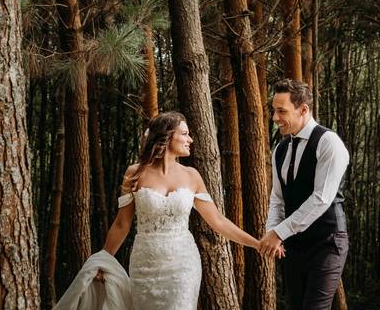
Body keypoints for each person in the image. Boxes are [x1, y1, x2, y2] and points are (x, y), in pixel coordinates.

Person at [56, 111, 268, 310]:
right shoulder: (134, 173)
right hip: (144, 263)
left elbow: (218, 221)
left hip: (183, 262)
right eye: (184, 134)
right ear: (167, 137)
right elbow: (122, 223)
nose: (190, 139)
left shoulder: (192, 175)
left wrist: (257, 244)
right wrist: (105, 259)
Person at [259, 79, 350, 310]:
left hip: (327, 241)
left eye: (281, 111)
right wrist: (273, 232)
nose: (275, 118)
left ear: (303, 110)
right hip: (294, 245)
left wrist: (279, 232)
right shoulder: (279, 149)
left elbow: (321, 198)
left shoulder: (329, 143)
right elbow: (278, 198)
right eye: (273, 110)